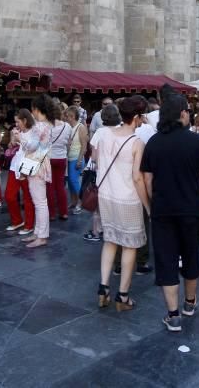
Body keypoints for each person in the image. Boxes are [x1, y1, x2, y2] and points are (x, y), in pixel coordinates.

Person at [141, 92, 199, 332]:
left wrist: (154, 203)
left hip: (163, 210)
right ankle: (190, 303)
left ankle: (173, 315)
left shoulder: (153, 143)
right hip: (192, 209)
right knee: (191, 254)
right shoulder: (196, 141)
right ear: (183, 114)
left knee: (167, 260)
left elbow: (146, 178)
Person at [96, 95, 150, 312]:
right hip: (128, 199)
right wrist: (147, 205)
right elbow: (138, 178)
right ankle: (123, 295)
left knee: (110, 241)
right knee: (129, 245)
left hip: (106, 195)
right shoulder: (137, 143)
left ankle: (103, 288)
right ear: (136, 117)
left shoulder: (104, 134)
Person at [20, 94, 56, 249]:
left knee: (40, 202)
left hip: (36, 163)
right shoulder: (48, 124)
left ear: (36, 109)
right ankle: (38, 233)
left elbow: (31, 146)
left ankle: (41, 236)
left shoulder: (40, 126)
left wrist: (19, 138)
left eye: (33, 108)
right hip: (41, 162)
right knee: (39, 201)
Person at [83, 104, 121, 242]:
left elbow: (93, 157)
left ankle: (97, 232)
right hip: (119, 176)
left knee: (98, 208)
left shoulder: (100, 132)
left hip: (102, 175)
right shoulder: (122, 130)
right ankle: (113, 231)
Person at [5, 109, 36, 235]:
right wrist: (13, 140)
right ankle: (17, 220)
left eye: (17, 122)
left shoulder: (34, 133)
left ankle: (29, 225)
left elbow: (33, 148)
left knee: (28, 197)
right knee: (9, 195)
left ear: (24, 120)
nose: (16, 124)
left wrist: (20, 138)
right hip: (15, 165)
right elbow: (10, 146)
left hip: (27, 166)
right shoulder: (17, 132)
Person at [45, 104, 72, 221]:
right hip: (61, 158)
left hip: (49, 158)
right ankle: (64, 212)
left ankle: (51, 214)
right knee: (60, 186)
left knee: (50, 187)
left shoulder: (47, 126)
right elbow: (69, 143)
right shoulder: (67, 126)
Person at [64, 105, 88, 215]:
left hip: (76, 158)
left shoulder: (80, 127)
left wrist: (79, 160)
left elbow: (84, 146)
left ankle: (81, 202)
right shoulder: (69, 127)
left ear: (72, 116)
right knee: (70, 182)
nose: (65, 118)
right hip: (69, 158)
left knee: (74, 181)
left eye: (67, 116)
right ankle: (74, 201)